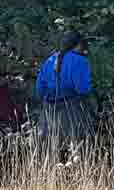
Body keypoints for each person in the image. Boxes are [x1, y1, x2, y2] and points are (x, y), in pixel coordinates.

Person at [34, 31, 95, 159]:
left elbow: (40, 89)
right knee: (77, 151)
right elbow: (83, 89)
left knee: (50, 153)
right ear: (78, 45)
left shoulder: (50, 60)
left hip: (49, 113)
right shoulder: (80, 61)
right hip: (72, 111)